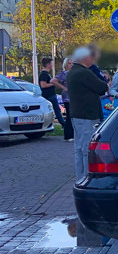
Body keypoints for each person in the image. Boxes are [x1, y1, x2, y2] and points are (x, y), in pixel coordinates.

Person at [66, 47, 108, 181]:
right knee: (86, 148)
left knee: (79, 148)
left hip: (77, 114)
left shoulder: (73, 71)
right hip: (87, 115)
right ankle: (86, 178)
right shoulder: (84, 73)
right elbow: (102, 87)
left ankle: (80, 176)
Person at [38, 57, 66, 130]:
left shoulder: (47, 74)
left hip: (51, 95)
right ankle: (63, 124)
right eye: (51, 63)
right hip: (49, 96)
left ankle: (63, 123)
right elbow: (43, 85)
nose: (52, 65)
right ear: (47, 64)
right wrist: (53, 84)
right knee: (57, 110)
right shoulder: (44, 74)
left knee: (57, 110)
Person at [55, 58, 74, 141]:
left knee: (72, 116)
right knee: (69, 116)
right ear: (66, 65)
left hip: (74, 96)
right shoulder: (64, 73)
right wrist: (63, 87)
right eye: (69, 63)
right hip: (67, 97)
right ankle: (68, 135)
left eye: (72, 63)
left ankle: (72, 134)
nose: (71, 65)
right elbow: (54, 81)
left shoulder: (73, 73)